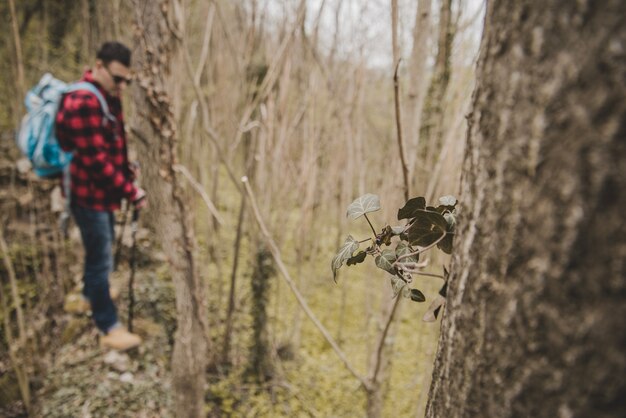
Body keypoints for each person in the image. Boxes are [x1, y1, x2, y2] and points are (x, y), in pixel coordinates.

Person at [56, 41, 146, 351]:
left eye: (126, 81)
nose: (121, 86)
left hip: (101, 195)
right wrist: (130, 191)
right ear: (98, 66)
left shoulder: (107, 97)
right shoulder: (83, 101)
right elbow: (95, 161)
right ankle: (109, 326)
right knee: (100, 259)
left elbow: (111, 146)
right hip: (87, 195)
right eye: (117, 78)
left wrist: (127, 169)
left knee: (100, 252)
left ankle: (85, 299)